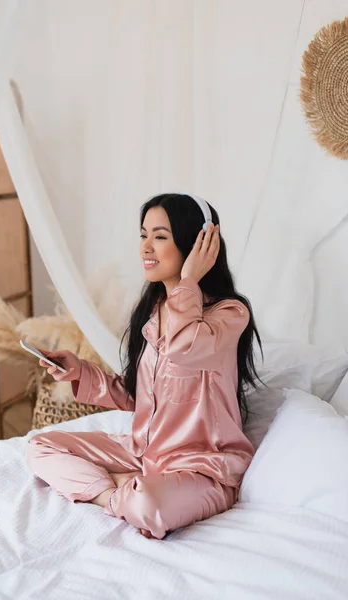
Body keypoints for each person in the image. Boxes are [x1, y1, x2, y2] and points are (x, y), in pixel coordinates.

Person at [26, 193, 262, 540]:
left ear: (198, 244)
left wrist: (190, 280)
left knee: (149, 507)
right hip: (143, 454)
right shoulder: (152, 308)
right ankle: (113, 493)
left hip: (201, 469)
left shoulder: (229, 315)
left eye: (160, 236)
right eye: (143, 235)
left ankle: (127, 492)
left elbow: (185, 349)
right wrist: (81, 372)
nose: (146, 248)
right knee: (40, 445)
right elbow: (142, 395)